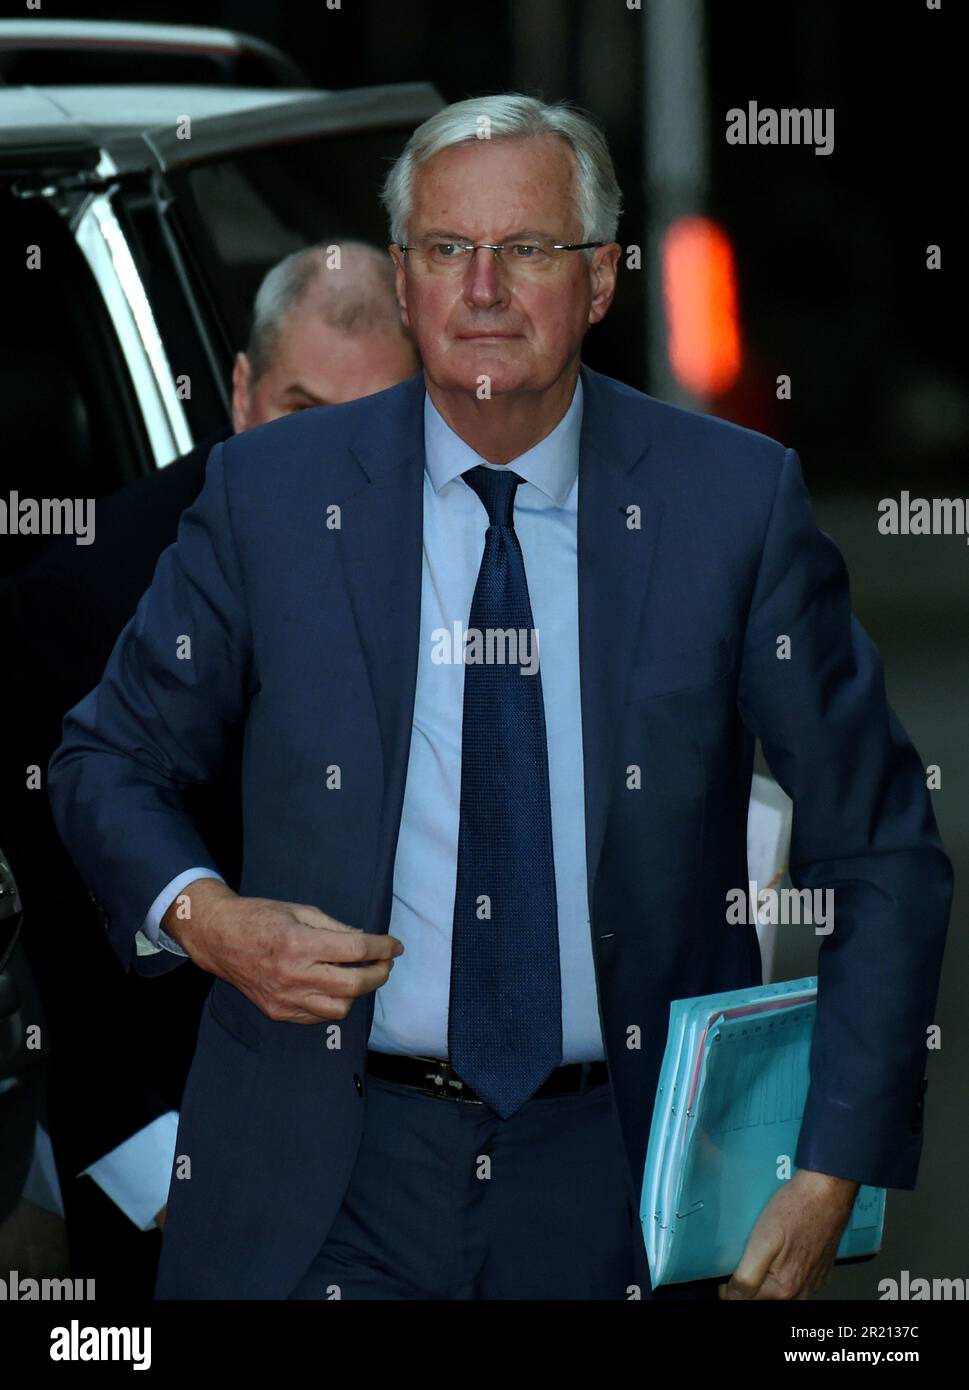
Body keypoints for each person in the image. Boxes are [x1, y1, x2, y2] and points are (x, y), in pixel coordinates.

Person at [47, 95, 952, 1302]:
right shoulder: (272, 495)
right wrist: (209, 919)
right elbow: (106, 758)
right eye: (444, 249)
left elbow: (883, 841)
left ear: (600, 282)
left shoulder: (731, 506)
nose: (481, 288)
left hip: (620, 1175)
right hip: (325, 1170)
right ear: (406, 277)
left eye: (527, 250)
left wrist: (834, 1158)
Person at [5, 241, 419, 1300]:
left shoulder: (481, 560)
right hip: (183, 1165)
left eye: (368, 418)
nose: (330, 459)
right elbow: (51, 900)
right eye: (299, 407)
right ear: (239, 393)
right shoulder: (92, 590)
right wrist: (162, 1170)